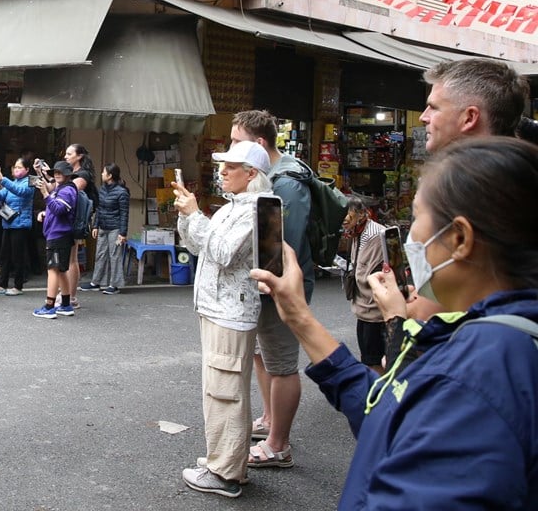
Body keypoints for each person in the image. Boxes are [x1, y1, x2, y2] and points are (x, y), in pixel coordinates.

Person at [251, 136, 538, 509]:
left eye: (418, 216)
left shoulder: (474, 378)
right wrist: (298, 315)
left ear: (460, 238)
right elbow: (390, 413)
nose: (411, 235)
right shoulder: (488, 338)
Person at [174, 140, 273, 499]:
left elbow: (222, 252)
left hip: (231, 312)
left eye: (231, 167)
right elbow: (197, 246)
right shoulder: (236, 206)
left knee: (225, 391)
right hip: (219, 309)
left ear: (251, 173)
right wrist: (188, 216)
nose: (223, 172)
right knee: (221, 388)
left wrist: (195, 214)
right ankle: (225, 461)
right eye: (223, 166)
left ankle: (226, 472)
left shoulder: (256, 208)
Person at [407, 58, 530, 320]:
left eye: (434, 107)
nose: (423, 117)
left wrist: (397, 317)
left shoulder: (473, 190)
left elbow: (433, 309)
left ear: (469, 117)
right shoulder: (518, 176)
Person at [229, 110, 310, 469]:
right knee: (264, 356)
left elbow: (286, 245)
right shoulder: (267, 176)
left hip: (280, 287)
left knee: (283, 364)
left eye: (237, 141)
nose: (231, 147)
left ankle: (279, 445)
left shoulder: (287, 183)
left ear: (259, 143)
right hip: (262, 285)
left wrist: (274, 284)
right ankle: (269, 421)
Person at [341, 197, 387, 373]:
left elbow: (364, 273)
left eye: (349, 214)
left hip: (373, 309)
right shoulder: (358, 231)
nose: (345, 220)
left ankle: (379, 388)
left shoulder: (373, 235)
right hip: (366, 308)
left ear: (361, 214)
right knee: (370, 357)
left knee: (374, 360)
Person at [33, 160, 78, 319]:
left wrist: (45, 194)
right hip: (60, 234)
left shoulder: (67, 190)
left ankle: (49, 306)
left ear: (68, 175)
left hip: (58, 235)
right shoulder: (63, 188)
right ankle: (65, 305)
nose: (57, 175)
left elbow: (59, 210)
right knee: (61, 270)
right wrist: (45, 213)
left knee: (52, 270)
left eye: (60, 172)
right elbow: (56, 208)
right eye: (55, 172)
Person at [80, 163, 130, 295]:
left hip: (115, 229)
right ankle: (96, 282)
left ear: (110, 175)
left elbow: (124, 214)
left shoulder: (122, 192)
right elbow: (99, 209)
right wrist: (95, 225)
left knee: (115, 256)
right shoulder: (102, 189)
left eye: (104, 172)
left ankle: (114, 285)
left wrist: (123, 233)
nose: (102, 174)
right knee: (100, 254)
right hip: (102, 226)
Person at [0, 158, 34, 296]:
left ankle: (18, 286)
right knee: (4, 255)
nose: (16, 169)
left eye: (19, 167)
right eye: (15, 167)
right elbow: (0, 196)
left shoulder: (30, 182)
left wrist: (3, 180)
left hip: (20, 224)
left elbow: (21, 191)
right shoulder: (13, 182)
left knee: (17, 256)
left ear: (27, 169)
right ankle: (2, 284)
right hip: (8, 222)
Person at [62, 144, 96, 307]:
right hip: (66, 218)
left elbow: (68, 192)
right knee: (67, 258)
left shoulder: (83, 175)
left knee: (71, 258)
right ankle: (66, 295)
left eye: (69, 154)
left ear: (79, 156)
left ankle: (71, 297)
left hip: (74, 219)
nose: (65, 157)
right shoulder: (71, 173)